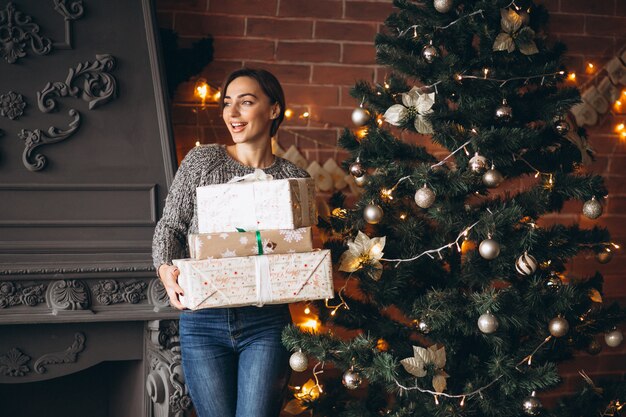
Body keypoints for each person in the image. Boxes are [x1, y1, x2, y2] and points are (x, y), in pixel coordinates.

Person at [152, 68, 309, 417]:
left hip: (266, 323)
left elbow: (301, 251)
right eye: (227, 104)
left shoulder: (294, 179)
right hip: (202, 320)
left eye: (246, 102)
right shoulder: (202, 162)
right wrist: (165, 270)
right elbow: (170, 228)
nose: (232, 114)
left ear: (273, 110)